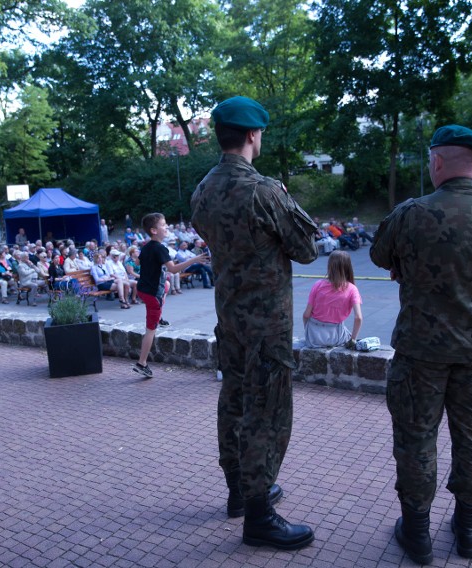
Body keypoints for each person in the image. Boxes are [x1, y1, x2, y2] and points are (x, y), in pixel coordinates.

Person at [369, 125, 472, 563]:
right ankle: (468, 530)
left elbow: (380, 255)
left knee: (416, 440)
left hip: (421, 353)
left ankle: (417, 535)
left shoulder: (412, 213)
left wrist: (408, 266)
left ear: (437, 161)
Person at [190, 96, 318, 551]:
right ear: (251, 135)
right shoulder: (262, 190)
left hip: (230, 317)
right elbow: (306, 248)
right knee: (268, 410)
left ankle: (239, 492)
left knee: (234, 399)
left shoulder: (203, 189)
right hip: (266, 323)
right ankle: (260, 514)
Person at [132, 212, 206, 377]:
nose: (166, 228)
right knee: (150, 329)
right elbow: (173, 269)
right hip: (152, 294)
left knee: (166, 284)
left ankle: (159, 316)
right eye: (163, 225)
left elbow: (137, 262)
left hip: (143, 289)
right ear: (153, 230)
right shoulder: (160, 248)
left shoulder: (146, 247)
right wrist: (194, 259)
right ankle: (141, 363)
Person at [302, 251, 363, 348]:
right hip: (335, 337)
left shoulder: (318, 285)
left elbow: (306, 315)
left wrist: (309, 331)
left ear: (329, 266)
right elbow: (358, 318)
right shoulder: (352, 289)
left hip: (313, 337)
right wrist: (353, 339)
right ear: (348, 267)